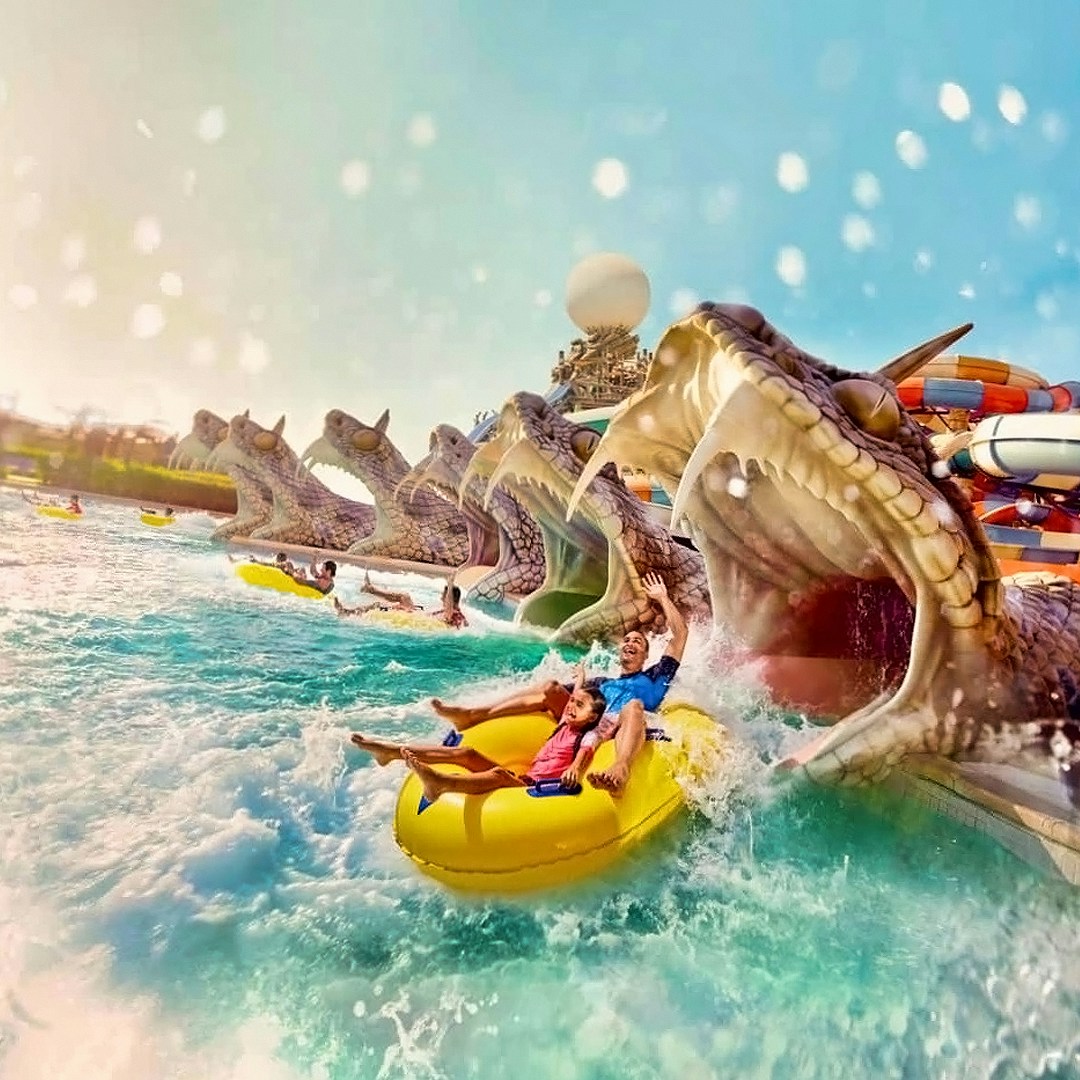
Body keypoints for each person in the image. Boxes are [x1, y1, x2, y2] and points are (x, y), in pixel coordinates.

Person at [431, 573, 687, 794]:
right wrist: (579, 681)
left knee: (633, 705)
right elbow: (573, 700)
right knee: (550, 687)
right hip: (592, 724)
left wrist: (663, 598)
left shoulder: (655, 677)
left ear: (645, 656)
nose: (630, 643)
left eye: (638, 643)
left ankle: (621, 768)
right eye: (627, 640)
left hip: (620, 729)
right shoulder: (603, 683)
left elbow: (681, 635)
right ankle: (475, 714)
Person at [350, 682, 608, 802]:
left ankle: (442, 784)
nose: (571, 707)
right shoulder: (565, 720)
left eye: (580, 706)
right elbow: (568, 697)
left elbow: (588, 749)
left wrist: (575, 768)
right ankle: (390, 751)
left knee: (497, 774)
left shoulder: (585, 734)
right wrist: (581, 676)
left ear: (593, 717)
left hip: (531, 790)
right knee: (466, 752)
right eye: (572, 702)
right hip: (526, 777)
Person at [334, 573, 468, 628]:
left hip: (417, 620)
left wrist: (450, 586)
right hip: (419, 615)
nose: (441, 598)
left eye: (443, 597)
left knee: (380, 605)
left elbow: (449, 610)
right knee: (404, 596)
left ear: (450, 599)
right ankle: (370, 589)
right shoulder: (456, 610)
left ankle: (348, 612)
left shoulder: (453, 614)